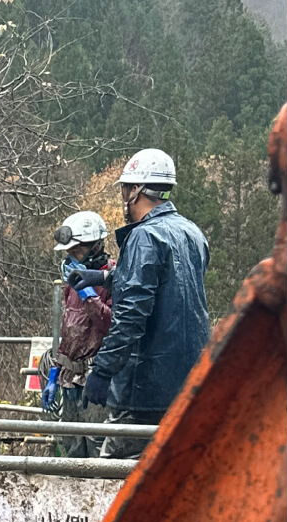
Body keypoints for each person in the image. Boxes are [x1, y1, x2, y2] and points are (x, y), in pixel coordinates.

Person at [69, 148, 210, 459]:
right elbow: (167, 286)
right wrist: (102, 277)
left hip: (145, 390)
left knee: (113, 478)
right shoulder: (193, 232)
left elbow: (132, 315)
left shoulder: (144, 237)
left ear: (134, 191)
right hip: (192, 384)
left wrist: (103, 371)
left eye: (124, 189)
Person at [41, 211, 113, 457]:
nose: (71, 258)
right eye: (68, 253)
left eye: (76, 252)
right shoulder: (71, 285)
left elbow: (112, 325)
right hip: (69, 380)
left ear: (95, 247)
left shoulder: (114, 278)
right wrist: (53, 375)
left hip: (96, 381)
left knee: (97, 448)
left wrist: (90, 295)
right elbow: (69, 332)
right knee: (70, 447)